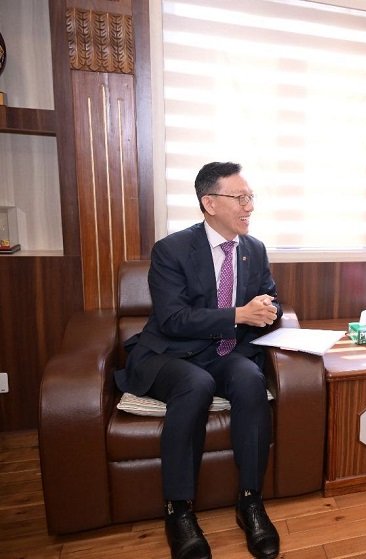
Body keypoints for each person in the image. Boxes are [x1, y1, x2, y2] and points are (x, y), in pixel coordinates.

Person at [116, 162, 282, 559]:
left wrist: (267, 308)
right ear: (210, 203)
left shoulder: (254, 249)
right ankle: (179, 510)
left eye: (250, 197)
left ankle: (250, 501)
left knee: (249, 378)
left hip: (223, 351)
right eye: (240, 197)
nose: (249, 206)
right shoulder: (172, 250)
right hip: (169, 353)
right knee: (196, 383)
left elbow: (270, 297)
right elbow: (172, 319)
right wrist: (239, 314)